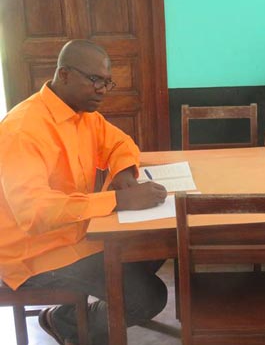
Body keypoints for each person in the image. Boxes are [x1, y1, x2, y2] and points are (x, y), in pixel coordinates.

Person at [0, 40, 168, 345]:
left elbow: (120, 143)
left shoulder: (84, 114)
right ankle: (69, 324)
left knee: (155, 245)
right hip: (34, 254)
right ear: (64, 74)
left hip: (77, 233)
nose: (102, 90)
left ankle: (72, 317)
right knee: (148, 296)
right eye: (94, 80)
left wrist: (123, 172)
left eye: (107, 82)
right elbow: (34, 212)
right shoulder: (22, 130)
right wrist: (118, 200)